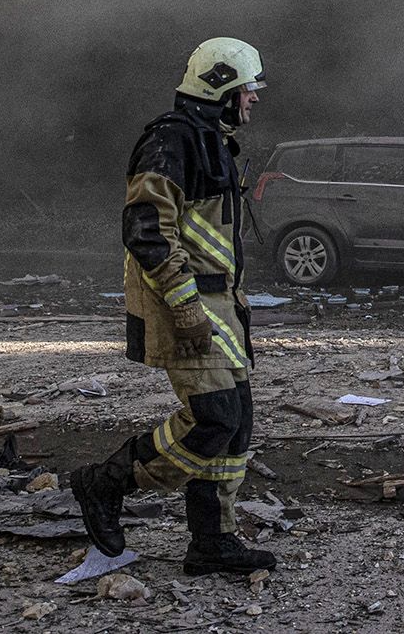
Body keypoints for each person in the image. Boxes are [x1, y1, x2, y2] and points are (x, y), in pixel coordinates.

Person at [69, 38, 277, 576]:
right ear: (222, 85)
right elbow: (147, 231)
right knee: (212, 420)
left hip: (221, 306)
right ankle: (105, 483)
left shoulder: (212, 140)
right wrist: (184, 305)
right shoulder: (171, 141)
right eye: (248, 88)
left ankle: (213, 542)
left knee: (236, 427)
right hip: (183, 304)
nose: (253, 98)